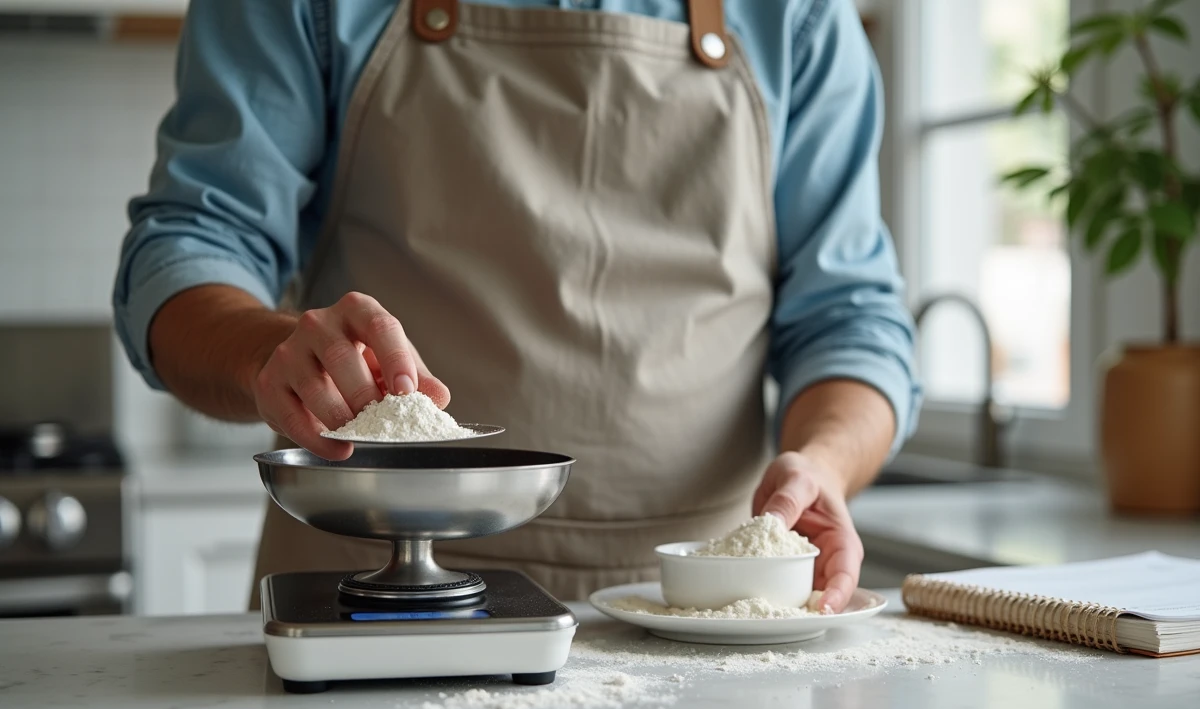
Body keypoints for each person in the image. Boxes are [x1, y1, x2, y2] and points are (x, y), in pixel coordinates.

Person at [113, 0, 921, 611]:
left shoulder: (799, 15)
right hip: (371, 600)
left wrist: (823, 462)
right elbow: (187, 248)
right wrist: (264, 350)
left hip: (701, 607)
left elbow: (850, 320)